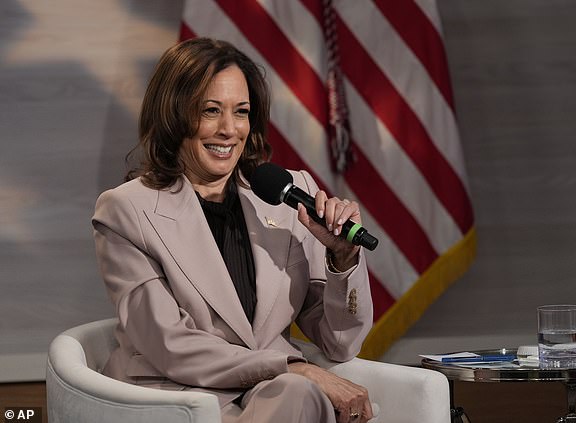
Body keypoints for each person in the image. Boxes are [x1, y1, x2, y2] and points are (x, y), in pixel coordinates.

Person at [92, 37, 374, 423]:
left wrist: (343, 258)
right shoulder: (127, 210)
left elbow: (339, 343)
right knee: (297, 390)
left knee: (297, 396)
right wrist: (292, 368)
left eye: (241, 112)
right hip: (180, 398)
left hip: (279, 397)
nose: (229, 130)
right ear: (174, 115)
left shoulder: (290, 195)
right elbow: (169, 344)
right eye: (210, 111)